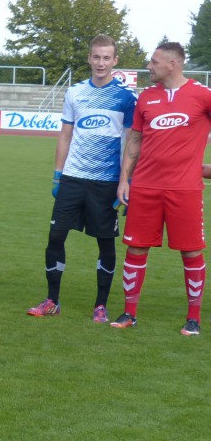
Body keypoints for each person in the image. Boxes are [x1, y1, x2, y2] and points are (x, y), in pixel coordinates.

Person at [27, 35, 137, 322]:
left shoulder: (126, 98)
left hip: (106, 182)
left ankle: (100, 305)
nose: (100, 63)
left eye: (106, 58)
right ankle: (52, 300)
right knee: (55, 236)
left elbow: (131, 143)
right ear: (89, 58)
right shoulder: (75, 93)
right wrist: (57, 175)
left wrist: (126, 181)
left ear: (115, 61)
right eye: (96, 57)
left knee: (105, 242)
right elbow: (65, 135)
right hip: (73, 179)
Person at [111, 42, 211, 336]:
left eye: (154, 62)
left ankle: (193, 318)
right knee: (136, 247)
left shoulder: (202, 95)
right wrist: (124, 179)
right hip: (144, 187)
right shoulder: (146, 98)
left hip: (185, 189)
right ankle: (130, 312)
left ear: (173, 64)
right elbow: (135, 141)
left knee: (191, 251)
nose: (149, 66)